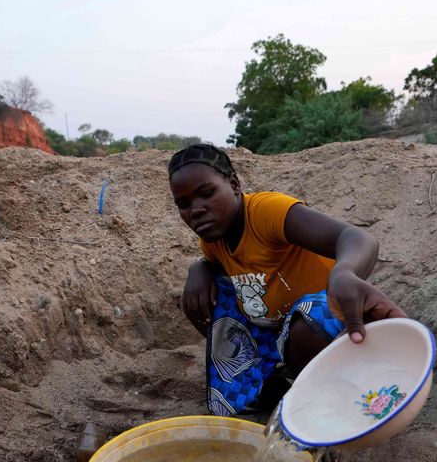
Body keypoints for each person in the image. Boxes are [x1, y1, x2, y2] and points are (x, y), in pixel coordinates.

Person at [169, 143, 406, 418]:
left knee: (302, 330)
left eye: (207, 194)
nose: (196, 210)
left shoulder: (266, 212)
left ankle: (332, 407)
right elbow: (217, 273)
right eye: (183, 204)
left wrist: (344, 273)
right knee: (200, 300)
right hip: (278, 328)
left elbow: (357, 238)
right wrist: (198, 268)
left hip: (332, 320)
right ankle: (271, 386)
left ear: (234, 184)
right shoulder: (213, 241)